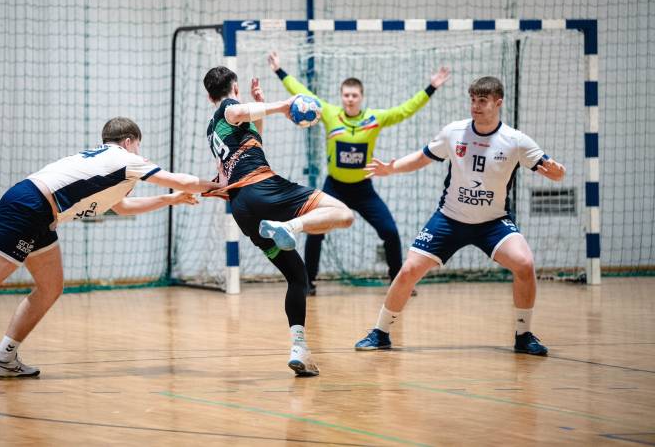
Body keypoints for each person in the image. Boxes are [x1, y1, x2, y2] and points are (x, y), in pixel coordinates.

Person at [0, 116, 219, 377]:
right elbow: (181, 179)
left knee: (51, 286)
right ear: (130, 141)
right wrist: (218, 186)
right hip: (29, 206)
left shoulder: (104, 162)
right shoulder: (127, 160)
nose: (141, 152)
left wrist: (170, 199)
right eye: (139, 146)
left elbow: (123, 207)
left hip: (40, 212)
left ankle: (4, 357)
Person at [353, 76, 565, 356]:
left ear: (498, 103)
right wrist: (391, 168)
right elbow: (422, 157)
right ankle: (380, 333)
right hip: (450, 219)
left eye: (482, 101)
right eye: (473, 100)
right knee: (409, 270)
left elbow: (553, 172)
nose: (475, 106)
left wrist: (558, 173)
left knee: (524, 264)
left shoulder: (516, 141)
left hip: (493, 223)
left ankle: (523, 336)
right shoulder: (454, 132)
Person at [203, 67, 354, 376]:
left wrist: (261, 107)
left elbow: (250, 140)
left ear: (208, 96)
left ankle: (300, 349)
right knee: (344, 214)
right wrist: (284, 105)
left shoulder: (213, 130)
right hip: (264, 189)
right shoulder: (229, 107)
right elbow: (238, 111)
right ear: (235, 88)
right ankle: (291, 226)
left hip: (243, 209)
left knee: (297, 276)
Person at [268, 51, 451, 294]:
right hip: (334, 187)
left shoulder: (375, 119)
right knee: (315, 232)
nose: (350, 99)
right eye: (346, 95)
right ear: (341, 96)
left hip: (363, 190)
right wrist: (279, 71)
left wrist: (431, 87)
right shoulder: (329, 113)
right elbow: (302, 93)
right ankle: (307, 282)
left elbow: (405, 109)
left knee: (389, 231)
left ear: (361, 97)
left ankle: (397, 281)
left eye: (354, 95)